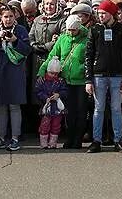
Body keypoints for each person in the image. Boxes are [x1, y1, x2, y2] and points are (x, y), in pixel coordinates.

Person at [85, 0, 122, 154]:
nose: (100, 16)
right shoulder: (94, 30)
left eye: (103, 13)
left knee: (116, 109)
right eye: (99, 14)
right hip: (98, 75)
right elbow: (89, 55)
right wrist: (88, 79)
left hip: (117, 75)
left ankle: (118, 140)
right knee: (98, 109)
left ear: (111, 13)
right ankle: (96, 140)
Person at [0, 5, 31, 151]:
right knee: (1, 106)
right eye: (5, 16)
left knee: (14, 105)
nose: (8, 19)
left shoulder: (21, 30)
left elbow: (27, 50)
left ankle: (15, 138)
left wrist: (15, 40)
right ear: (1, 17)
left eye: (11, 16)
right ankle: (1, 138)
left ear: (15, 17)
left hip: (15, 71)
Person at [39, 14, 89, 149]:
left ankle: (78, 139)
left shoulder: (87, 39)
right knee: (68, 111)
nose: (70, 32)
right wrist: (42, 71)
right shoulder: (62, 39)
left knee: (81, 110)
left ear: (78, 28)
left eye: (73, 30)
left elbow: (90, 59)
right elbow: (52, 56)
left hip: (81, 81)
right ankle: (70, 137)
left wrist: (84, 71)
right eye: (68, 29)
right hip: (65, 80)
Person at [35, 57, 68, 149]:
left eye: (56, 73)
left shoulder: (60, 81)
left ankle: (53, 142)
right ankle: (44, 143)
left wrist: (59, 94)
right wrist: (45, 98)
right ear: (47, 71)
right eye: (51, 73)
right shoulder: (41, 81)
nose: (53, 75)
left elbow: (65, 91)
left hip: (57, 108)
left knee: (56, 125)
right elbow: (37, 92)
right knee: (45, 125)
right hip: (46, 107)